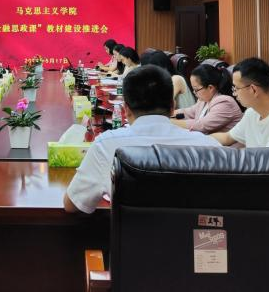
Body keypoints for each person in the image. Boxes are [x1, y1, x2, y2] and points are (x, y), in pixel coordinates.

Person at [64, 65, 219, 214]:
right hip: (192, 233)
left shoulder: (106, 145)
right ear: (172, 107)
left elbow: (72, 204)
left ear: (126, 109)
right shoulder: (210, 147)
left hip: (131, 233)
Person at [173, 64, 242, 134]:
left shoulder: (224, 102)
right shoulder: (204, 100)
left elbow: (201, 126)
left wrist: (171, 122)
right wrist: (168, 113)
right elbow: (188, 112)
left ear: (210, 88)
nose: (194, 92)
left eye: (196, 89)